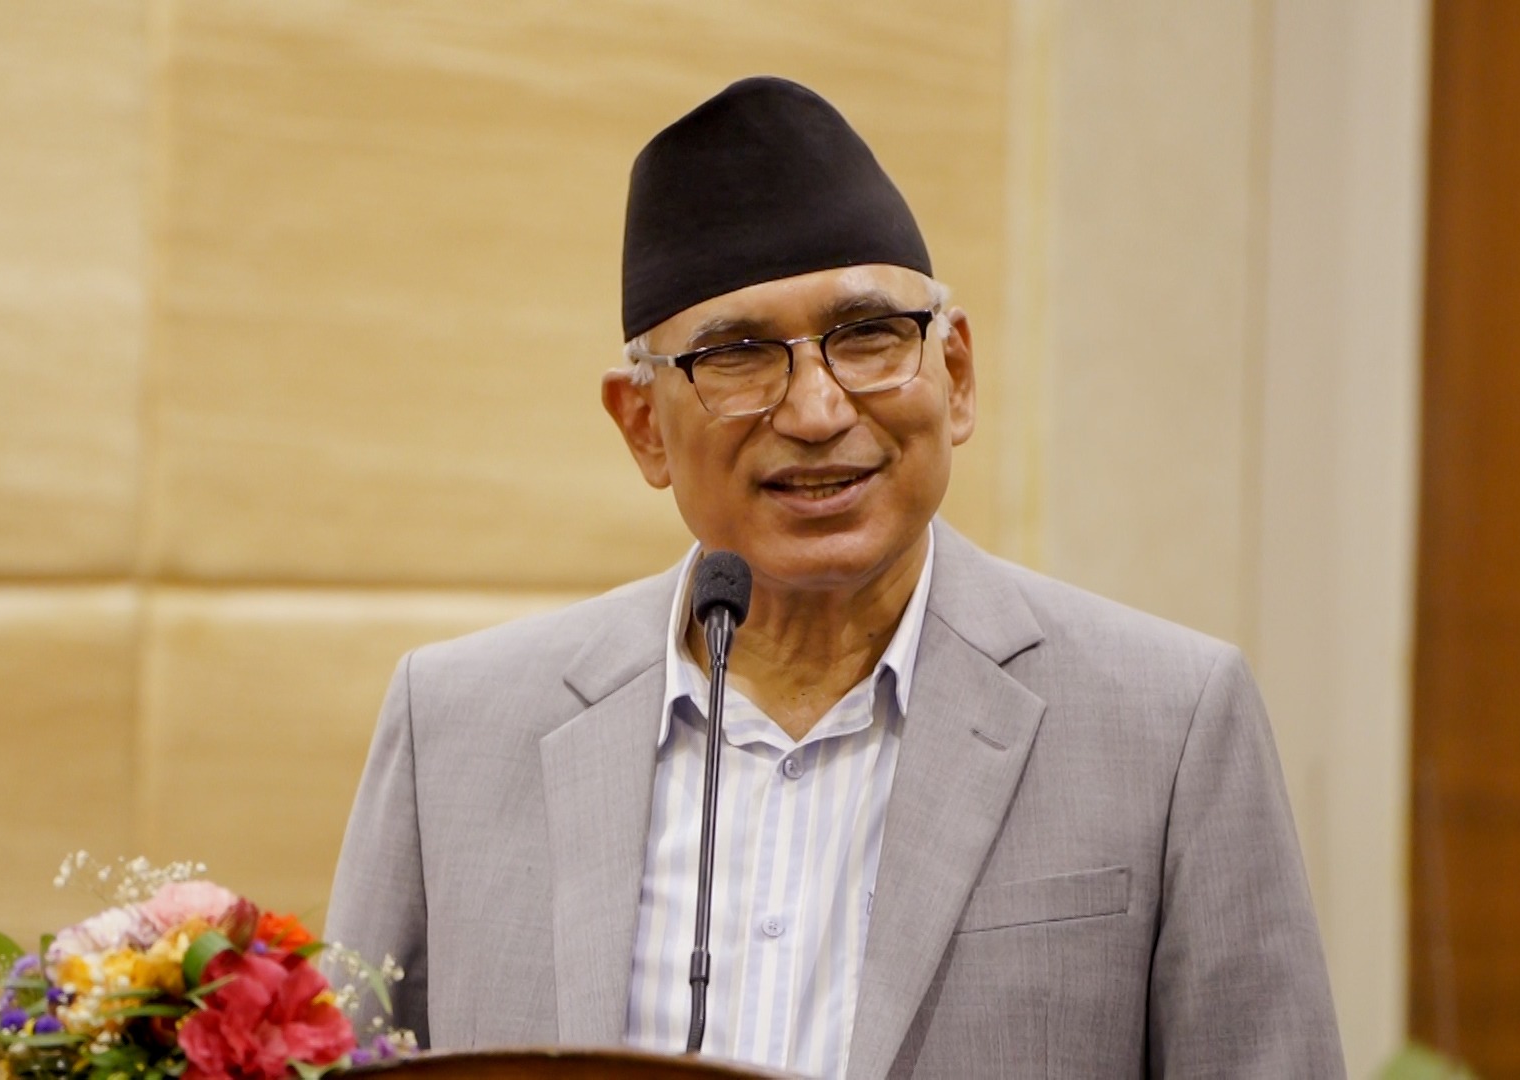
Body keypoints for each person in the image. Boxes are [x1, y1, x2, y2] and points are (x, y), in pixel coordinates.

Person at [327, 76, 1343, 1079]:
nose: (817, 412)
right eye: (738, 355)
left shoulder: (1168, 724)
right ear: (642, 426)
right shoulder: (455, 732)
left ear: (957, 376)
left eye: (867, 338)